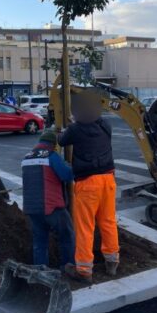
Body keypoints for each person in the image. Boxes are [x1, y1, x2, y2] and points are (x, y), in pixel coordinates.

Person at [58, 92, 117, 283]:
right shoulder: (105, 125)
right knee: (108, 221)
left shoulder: (75, 129)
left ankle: (83, 269)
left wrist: (64, 127)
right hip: (108, 180)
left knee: (85, 226)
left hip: (88, 182)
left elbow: (62, 140)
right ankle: (112, 261)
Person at [21, 129, 76, 272]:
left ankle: (41, 271)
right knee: (67, 234)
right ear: (53, 144)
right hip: (51, 207)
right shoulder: (51, 156)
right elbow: (66, 175)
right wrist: (70, 165)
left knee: (40, 241)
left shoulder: (26, 157)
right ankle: (67, 266)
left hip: (32, 208)